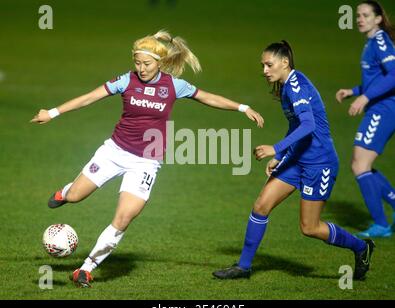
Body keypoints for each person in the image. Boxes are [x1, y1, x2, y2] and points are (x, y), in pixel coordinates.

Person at [30, 30, 264, 288]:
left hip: (146, 162)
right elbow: (89, 97)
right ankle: (66, 192)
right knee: (75, 196)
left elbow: (208, 97)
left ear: (160, 63)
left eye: (147, 64)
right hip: (114, 152)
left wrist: (242, 107)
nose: (141, 69)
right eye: (137, 63)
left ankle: (86, 268)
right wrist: (52, 112)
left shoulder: (174, 85)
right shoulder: (125, 80)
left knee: (123, 218)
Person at [213, 41, 374, 281]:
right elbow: (295, 126)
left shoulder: (296, 86)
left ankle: (361, 247)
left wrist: (275, 148)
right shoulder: (285, 86)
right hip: (297, 159)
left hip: (319, 164)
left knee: (310, 228)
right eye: (263, 66)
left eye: (269, 64)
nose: (265, 70)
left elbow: (308, 126)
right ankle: (243, 267)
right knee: (261, 206)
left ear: (285, 62)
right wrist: (281, 157)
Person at [336, 1, 395, 238]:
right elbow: (379, 78)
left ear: (378, 18)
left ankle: (381, 225)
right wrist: (355, 91)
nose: (360, 19)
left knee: (360, 165)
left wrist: (365, 97)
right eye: (358, 15)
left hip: (383, 109)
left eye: (366, 15)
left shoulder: (380, 40)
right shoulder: (372, 42)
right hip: (379, 106)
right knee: (361, 164)